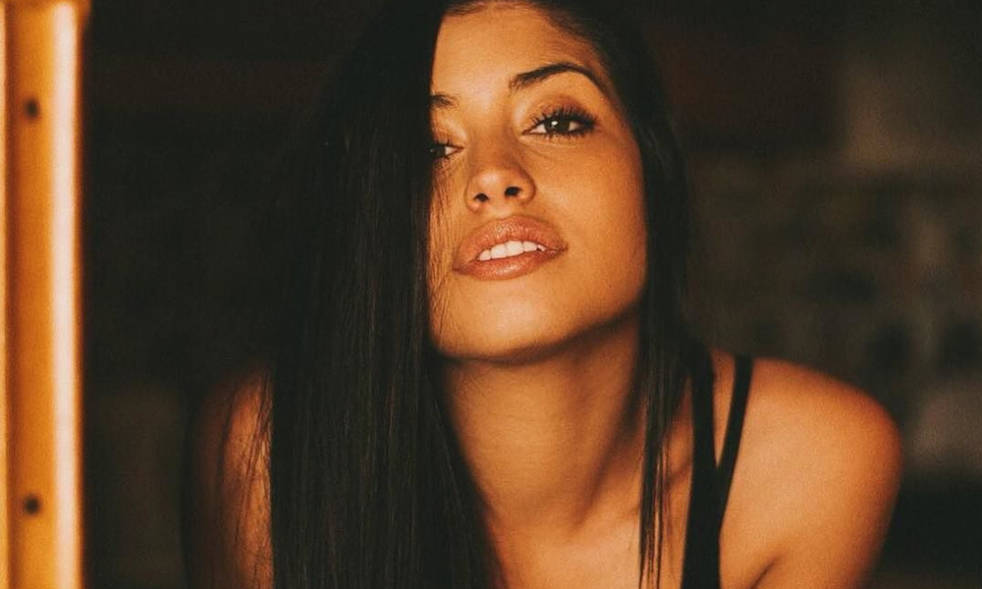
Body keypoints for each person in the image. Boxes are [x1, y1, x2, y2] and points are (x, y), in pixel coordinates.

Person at [186, 1, 903, 588]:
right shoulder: (268, 454)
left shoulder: (807, 466)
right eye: (426, 147)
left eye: (556, 120)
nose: (494, 175)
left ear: (651, 164)